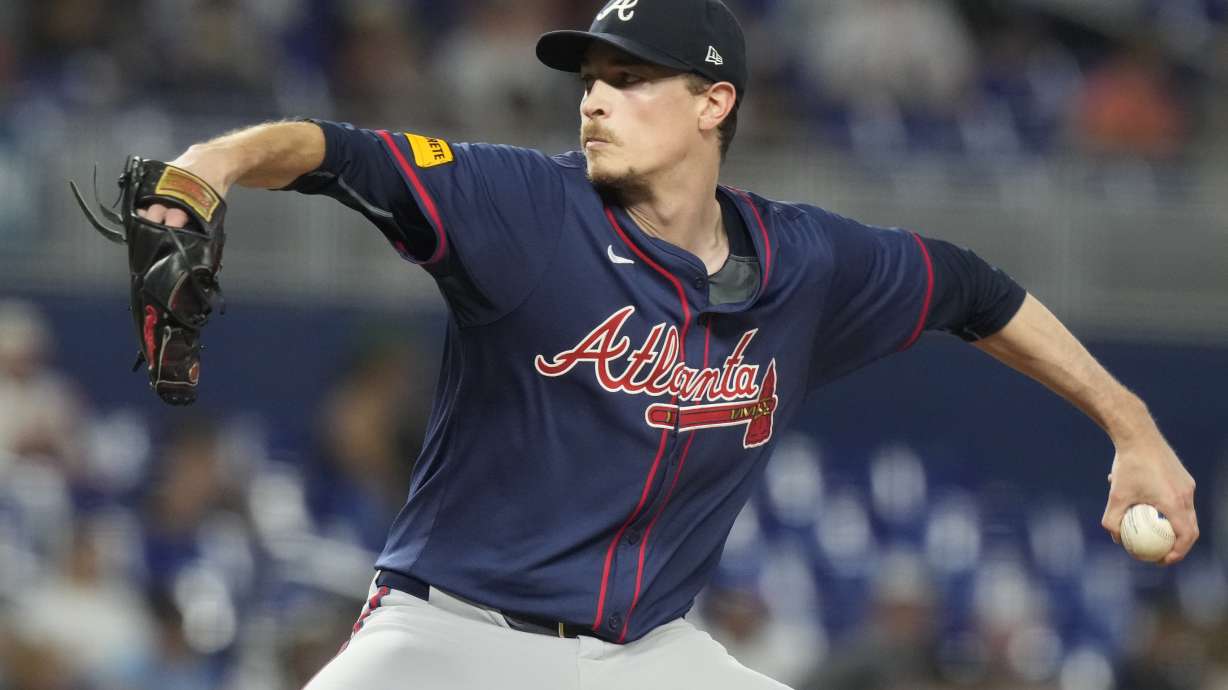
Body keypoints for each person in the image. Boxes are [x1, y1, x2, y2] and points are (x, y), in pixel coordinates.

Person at [136, 1, 1198, 687]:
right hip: (449, 639)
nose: (594, 96)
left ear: (713, 103)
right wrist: (206, 167)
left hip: (646, 657)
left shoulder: (805, 263)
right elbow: (334, 152)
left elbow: (976, 290)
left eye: (631, 76)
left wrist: (1131, 423)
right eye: (589, 75)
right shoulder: (517, 204)